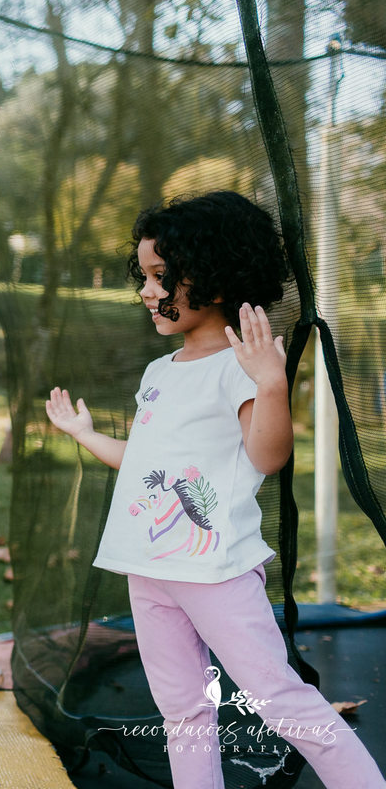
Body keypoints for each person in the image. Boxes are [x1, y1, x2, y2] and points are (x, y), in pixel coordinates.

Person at [44, 191, 386, 788]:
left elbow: (268, 455)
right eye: (145, 277)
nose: (148, 291)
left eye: (162, 277)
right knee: (184, 711)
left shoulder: (240, 367)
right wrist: (86, 435)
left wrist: (271, 383)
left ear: (218, 281)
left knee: (279, 700)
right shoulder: (159, 372)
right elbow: (150, 464)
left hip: (215, 574)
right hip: (147, 569)